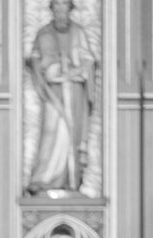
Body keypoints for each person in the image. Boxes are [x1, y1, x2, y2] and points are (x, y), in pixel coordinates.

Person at [26, 0, 96, 195]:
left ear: (69, 10)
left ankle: (71, 180)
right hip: (53, 94)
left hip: (73, 92)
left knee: (72, 133)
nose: (60, 13)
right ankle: (45, 178)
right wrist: (50, 68)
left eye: (64, 9)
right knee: (52, 130)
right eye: (57, 9)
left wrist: (76, 71)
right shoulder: (44, 33)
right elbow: (36, 59)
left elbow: (88, 60)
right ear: (52, 10)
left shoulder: (78, 32)